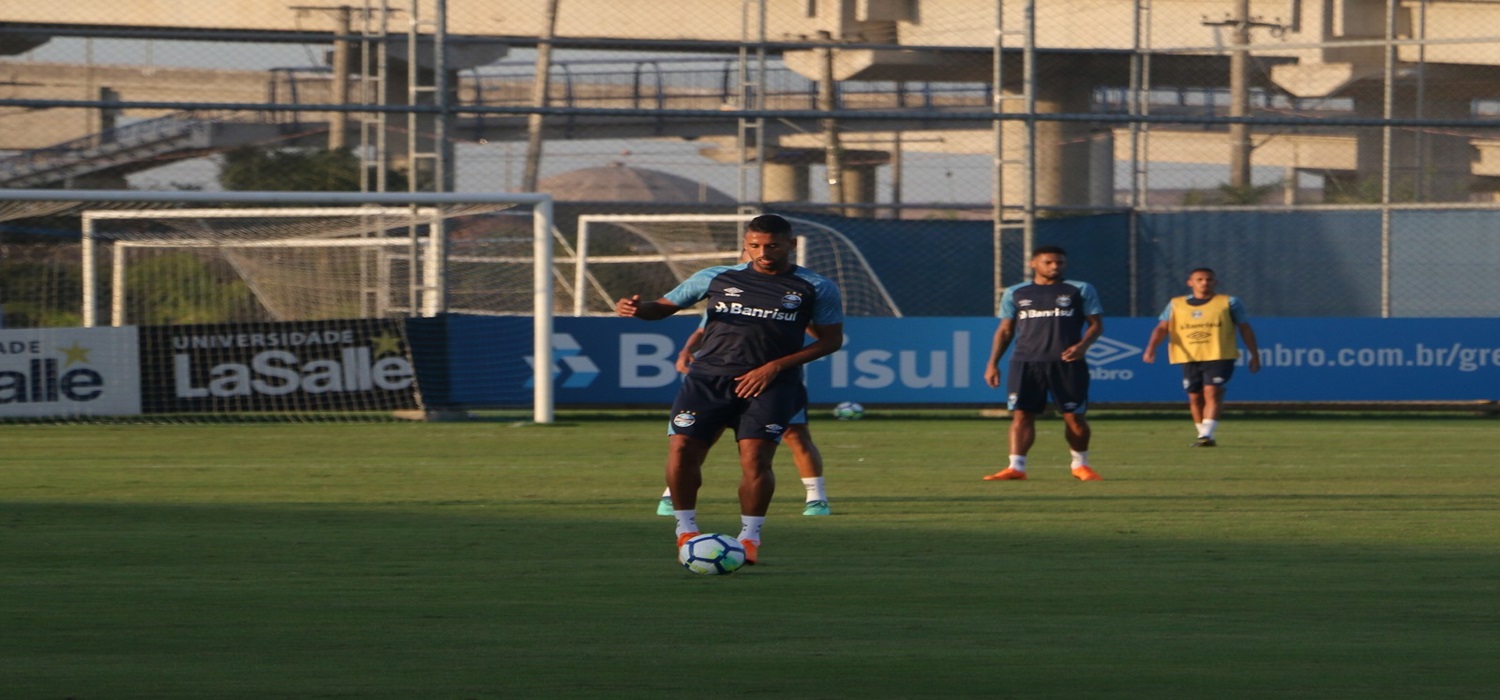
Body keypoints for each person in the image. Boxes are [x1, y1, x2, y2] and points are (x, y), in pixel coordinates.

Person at [617, 214, 844, 565]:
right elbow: (660, 309)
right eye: (754, 245)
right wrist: (636, 309)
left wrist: (773, 367)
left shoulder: (816, 287)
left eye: (772, 245)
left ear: (791, 245)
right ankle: (686, 531)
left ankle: (750, 538)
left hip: (771, 384)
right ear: (745, 244)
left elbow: (830, 342)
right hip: (708, 379)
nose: (763, 253)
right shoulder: (715, 277)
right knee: (681, 448)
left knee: (755, 458)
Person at [659, 322, 832, 517]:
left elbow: (825, 336)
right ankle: (673, 493)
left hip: (775, 382)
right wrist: (687, 350)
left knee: (795, 434)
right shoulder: (726, 294)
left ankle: (816, 497)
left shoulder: (794, 294)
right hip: (721, 379)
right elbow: (702, 328)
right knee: (700, 437)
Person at [981, 245, 1104, 482]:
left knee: (1073, 416)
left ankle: (1081, 465)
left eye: (1059, 262)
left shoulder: (1080, 289)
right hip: (1026, 362)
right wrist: (992, 363)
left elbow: (1096, 325)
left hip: (1067, 363)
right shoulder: (1015, 292)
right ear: (1033, 264)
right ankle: (1016, 467)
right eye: (1048, 262)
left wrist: (1082, 346)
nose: (1055, 266)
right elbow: (1005, 331)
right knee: (1022, 414)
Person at [1141, 267, 1261, 447]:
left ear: (1215, 282)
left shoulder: (1229, 302)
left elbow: (1244, 327)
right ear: (1190, 283)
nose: (1204, 283)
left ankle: (1206, 434)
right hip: (1189, 355)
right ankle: (1203, 434)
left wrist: (1254, 354)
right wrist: (1151, 348)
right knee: (1194, 397)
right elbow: (1162, 328)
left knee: (1212, 391)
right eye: (1200, 279)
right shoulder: (1176, 304)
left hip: (1219, 354)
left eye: (1209, 279)